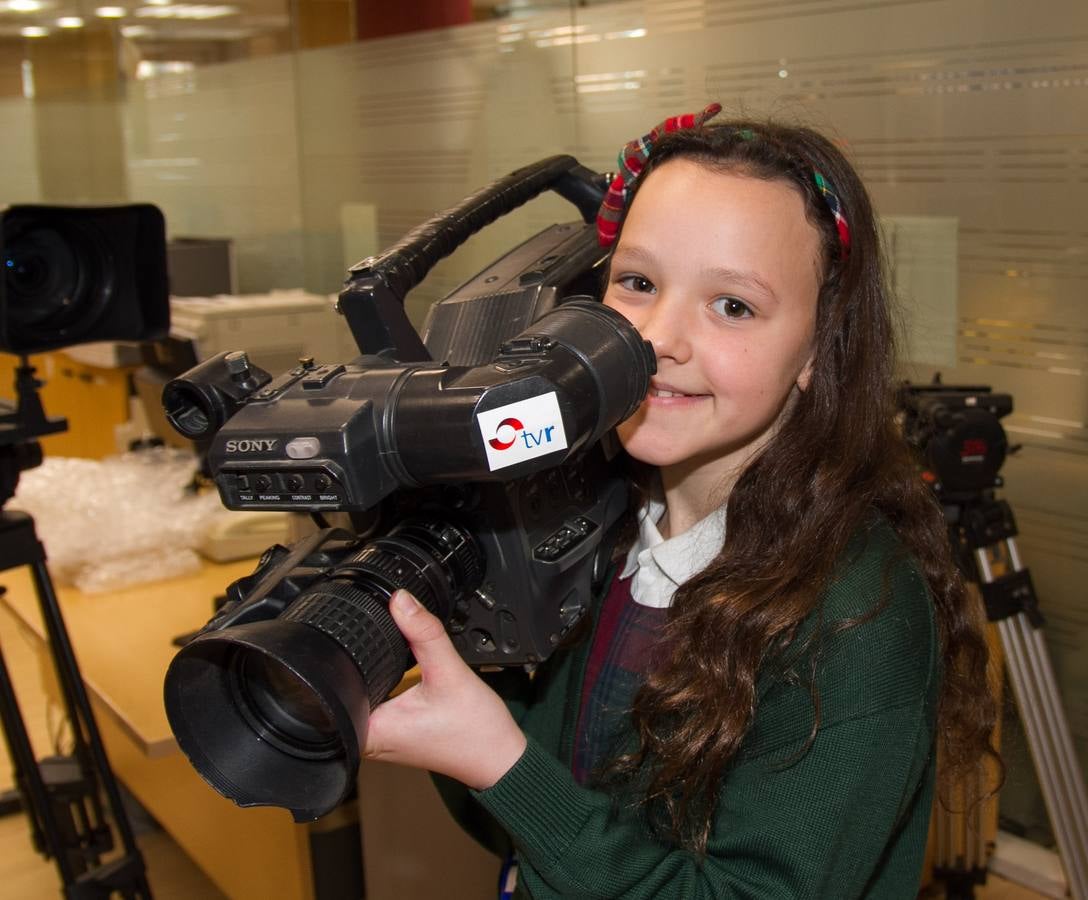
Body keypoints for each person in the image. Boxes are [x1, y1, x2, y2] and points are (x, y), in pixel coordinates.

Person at [362, 105, 999, 898]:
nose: (659, 338)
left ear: (816, 347)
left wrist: (504, 765)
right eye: (637, 283)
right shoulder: (596, 530)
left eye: (732, 305)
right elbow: (530, 825)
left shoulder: (856, 615)